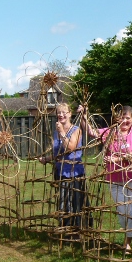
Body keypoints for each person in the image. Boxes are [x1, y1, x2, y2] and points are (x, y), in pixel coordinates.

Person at [79, 105, 132, 253]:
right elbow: (91, 132)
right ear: (116, 118)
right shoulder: (110, 133)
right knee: (123, 213)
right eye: (122, 117)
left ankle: (131, 243)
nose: (125, 120)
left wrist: (117, 157)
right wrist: (84, 116)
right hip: (115, 179)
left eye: (128, 118)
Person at [39, 102, 86, 240]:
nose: (61, 115)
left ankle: (76, 232)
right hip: (60, 172)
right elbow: (58, 153)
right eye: (58, 112)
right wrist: (47, 158)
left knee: (75, 202)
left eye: (64, 112)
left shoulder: (76, 130)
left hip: (74, 172)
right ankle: (65, 230)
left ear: (70, 114)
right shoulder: (56, 132)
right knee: (63, 203)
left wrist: (61, 132)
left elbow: (70, 147)